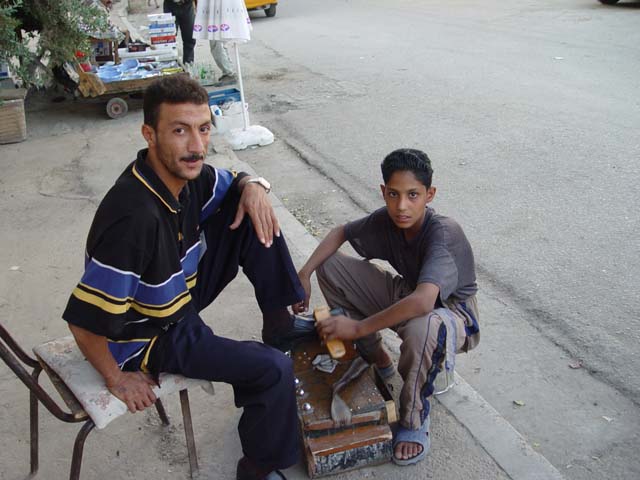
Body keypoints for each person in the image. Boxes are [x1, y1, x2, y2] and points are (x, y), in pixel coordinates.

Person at [62, 75, 311, 480]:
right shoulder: (133, 219)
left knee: (250, 211)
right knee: (272, 369)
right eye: (180, 131)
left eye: (203, 129)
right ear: (150, 135)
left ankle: (279, 322)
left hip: (177, 291)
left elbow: (234, 181)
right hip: (152, 332)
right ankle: (258, 468)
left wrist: (255, 185)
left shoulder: (184, 177)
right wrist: (117, 379)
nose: (196, 147)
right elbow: (83, 321)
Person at [295, 148, 480, 466]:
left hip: (453, 315)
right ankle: (378, 357)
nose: (401, 206)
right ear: (383, 191)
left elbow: (424, 302)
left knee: (425, 325)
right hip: (408, 293)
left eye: (412, 195)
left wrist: (356, 327)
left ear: (429, 194)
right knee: (330, 266)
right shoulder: (388, 218)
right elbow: (341, 232)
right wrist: (305, 273)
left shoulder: (444, 233)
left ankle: (414, 417)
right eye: (393, 194)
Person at [163, 0, 196, 64]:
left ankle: (188, 67)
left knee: (190, 39)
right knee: (169, 40)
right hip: (170, 6)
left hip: (187, 5)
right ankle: (170, 67)